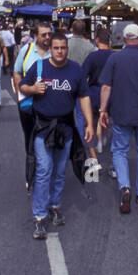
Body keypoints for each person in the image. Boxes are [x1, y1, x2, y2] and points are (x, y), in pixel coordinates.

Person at [19, 31, 94, 239]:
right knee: (44, 170)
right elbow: (22, 85)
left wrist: (88, 123)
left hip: (66, 128)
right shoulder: (40, 67)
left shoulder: (75, 70)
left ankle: (55, 205)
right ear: (50, 49)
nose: (60, 51)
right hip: (43, 127)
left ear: (67, 49)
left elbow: (84, 96)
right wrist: (33, 89)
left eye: (63, 48)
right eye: (56, 48)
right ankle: (40, 216)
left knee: (60, 171)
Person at [98, 23, 138, 212]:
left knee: (119, 151)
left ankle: (125, 186)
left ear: (124, 39)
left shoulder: (115, 58)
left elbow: (106, 87)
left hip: (121, 112)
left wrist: (103, 110)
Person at [13, 20, 52, 186]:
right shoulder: (26, 50)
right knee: (30, 138)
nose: (48, 37)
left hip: (50, 106)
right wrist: (19, 92)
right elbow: (16, 73)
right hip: (28, 104)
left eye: (49, 34)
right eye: (44, 35)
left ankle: (47, 174)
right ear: (35, 36)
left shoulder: (55, 51)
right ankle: (32, 174)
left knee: (49, 140)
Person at [78, 26, 116, 181]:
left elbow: (82, 76)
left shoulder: (92, 57)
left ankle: (94, 161)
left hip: (94, 93)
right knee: (116, 128)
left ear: (97, 40)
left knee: (88, 126)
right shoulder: (115, 57)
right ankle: (114, 164)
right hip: (112, 93)